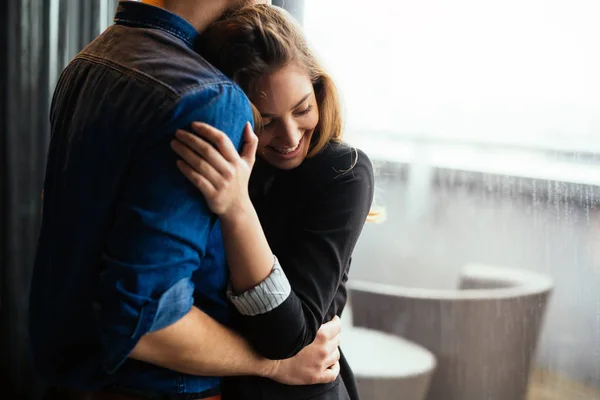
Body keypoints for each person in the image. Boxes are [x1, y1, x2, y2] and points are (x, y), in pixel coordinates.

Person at [29, 1, 342, 399]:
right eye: (267, 121)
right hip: (160, 387)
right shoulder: (209, 95)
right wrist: (274, 364)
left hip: (69, 380)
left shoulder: (90, 61)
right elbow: (150, 321)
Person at [171, 4, 374, 399]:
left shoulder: (343, 172)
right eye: (266, 121)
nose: (290, 136)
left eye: (303, 110)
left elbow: (288, 337)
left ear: (319, 90)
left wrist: (236, 207)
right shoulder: (215, 161)